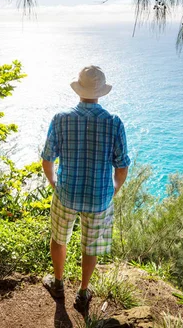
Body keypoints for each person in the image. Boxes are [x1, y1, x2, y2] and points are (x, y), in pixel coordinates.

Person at [40, 65, 131, 315]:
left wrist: (53, 184)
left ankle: (58, 284)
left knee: (59, 238)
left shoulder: (61, 118)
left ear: (79, 90)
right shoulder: (114, 123)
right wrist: (112, 189)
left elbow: (47, 159)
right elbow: (121, 167)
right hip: (99, 197)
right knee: (90, 247)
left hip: (66, 192)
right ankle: (83, 293)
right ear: (100, 92)